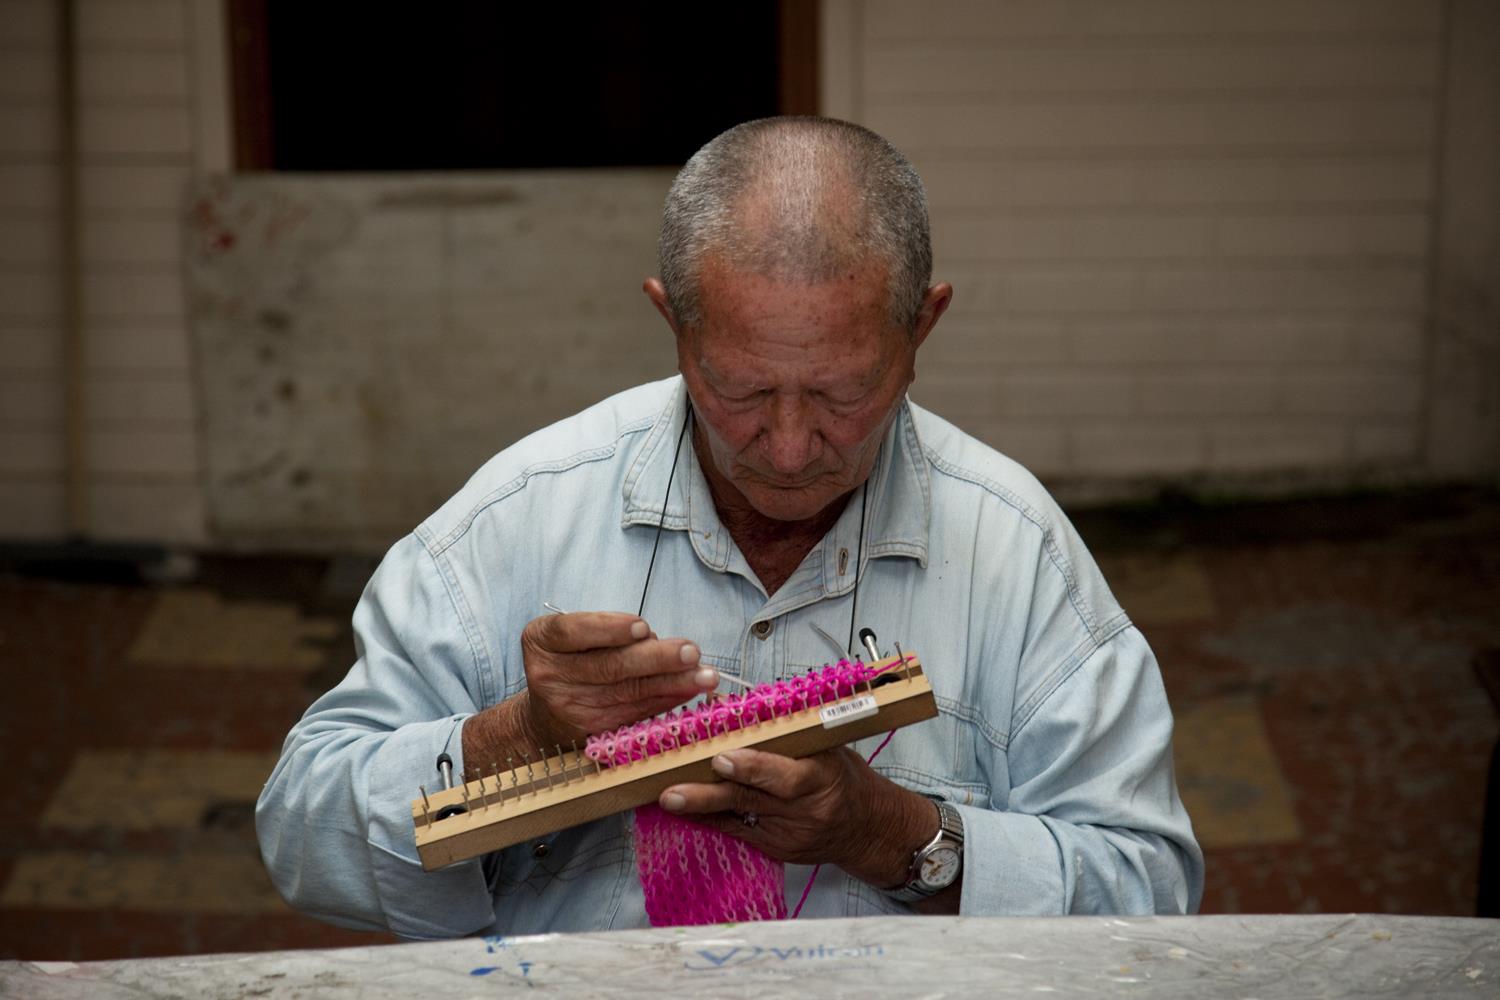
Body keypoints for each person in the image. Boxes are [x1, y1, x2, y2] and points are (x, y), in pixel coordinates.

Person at [256, 116, 1204, 936]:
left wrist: (890, 835)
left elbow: (1151, 895)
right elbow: (301, 831)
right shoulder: (523, 516)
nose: (789, 450)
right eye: (741, 391)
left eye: (841, 393)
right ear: (673, 323)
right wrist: (519, 738)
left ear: (922, 327)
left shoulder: (1014, 550)